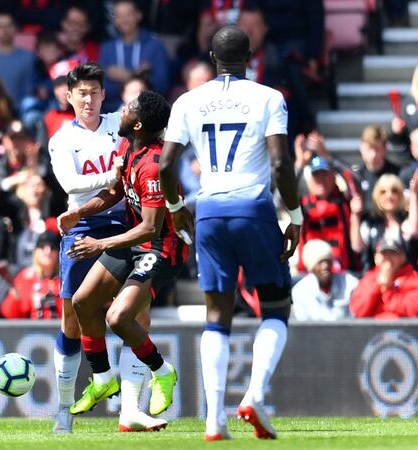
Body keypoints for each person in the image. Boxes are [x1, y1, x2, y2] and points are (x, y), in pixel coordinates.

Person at [159, 26, 301, 441]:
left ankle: (213, 419)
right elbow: (279, 164)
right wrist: (293, 212)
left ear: (212, 56)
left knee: (216, 315)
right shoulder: (268, 98)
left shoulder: (188, 100)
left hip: (208, 210)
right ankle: (254, 395)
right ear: (250, 56)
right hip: (253, 207)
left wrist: (174, 208)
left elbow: (168, 166)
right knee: (275, 307)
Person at [57, 90, 184, 432]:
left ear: (139, 123)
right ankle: (102, 377)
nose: (121, 110)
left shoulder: (154, 165)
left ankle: (162, 371)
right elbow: (115, 190)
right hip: (134, 238)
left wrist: (99, 244)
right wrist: (79, 211)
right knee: (83, 302)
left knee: (118, 317)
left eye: (128, 108)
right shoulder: (127, 145)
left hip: (159, 248)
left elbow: (150, 227)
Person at [46, 62, 130, 434]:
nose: (88, 99)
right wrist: (114, 175)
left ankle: (131, 408)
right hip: (80, 225)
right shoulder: (62, 139)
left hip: (124, 223)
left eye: (94, 92)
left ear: (103, 96)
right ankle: (64, 406)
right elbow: (71, 183)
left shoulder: (120, 125)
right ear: (69, 97)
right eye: (81, 93)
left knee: (132, 314)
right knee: (71, 319)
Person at [350, 236, 418, 318]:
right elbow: (358, 311)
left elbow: (413, 310)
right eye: (384, 253)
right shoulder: (368, 279)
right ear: (376, 258)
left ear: (402, 258)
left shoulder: (413, 278)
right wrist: (378, 284)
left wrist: (388, 290)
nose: (388, 258)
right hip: (373, 329)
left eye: (393, 253)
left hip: (404, 329)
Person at [0, 231, 62, 320]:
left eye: (52, 248)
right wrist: (29, 299)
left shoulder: (65, 279)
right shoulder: (25, 277)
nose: (48, 251)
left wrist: (53, 300)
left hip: (58, 328)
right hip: (30, 329)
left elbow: (71, 314)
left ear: (58, 252)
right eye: (42, 247)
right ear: (35, 252)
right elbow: (9, 313)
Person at [291, 239, 357, 321]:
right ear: (311, 268)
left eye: (328, 261)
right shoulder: (300, 291)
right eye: (320, 262)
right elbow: (303, 325)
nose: (325, 266)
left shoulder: (349, 283)